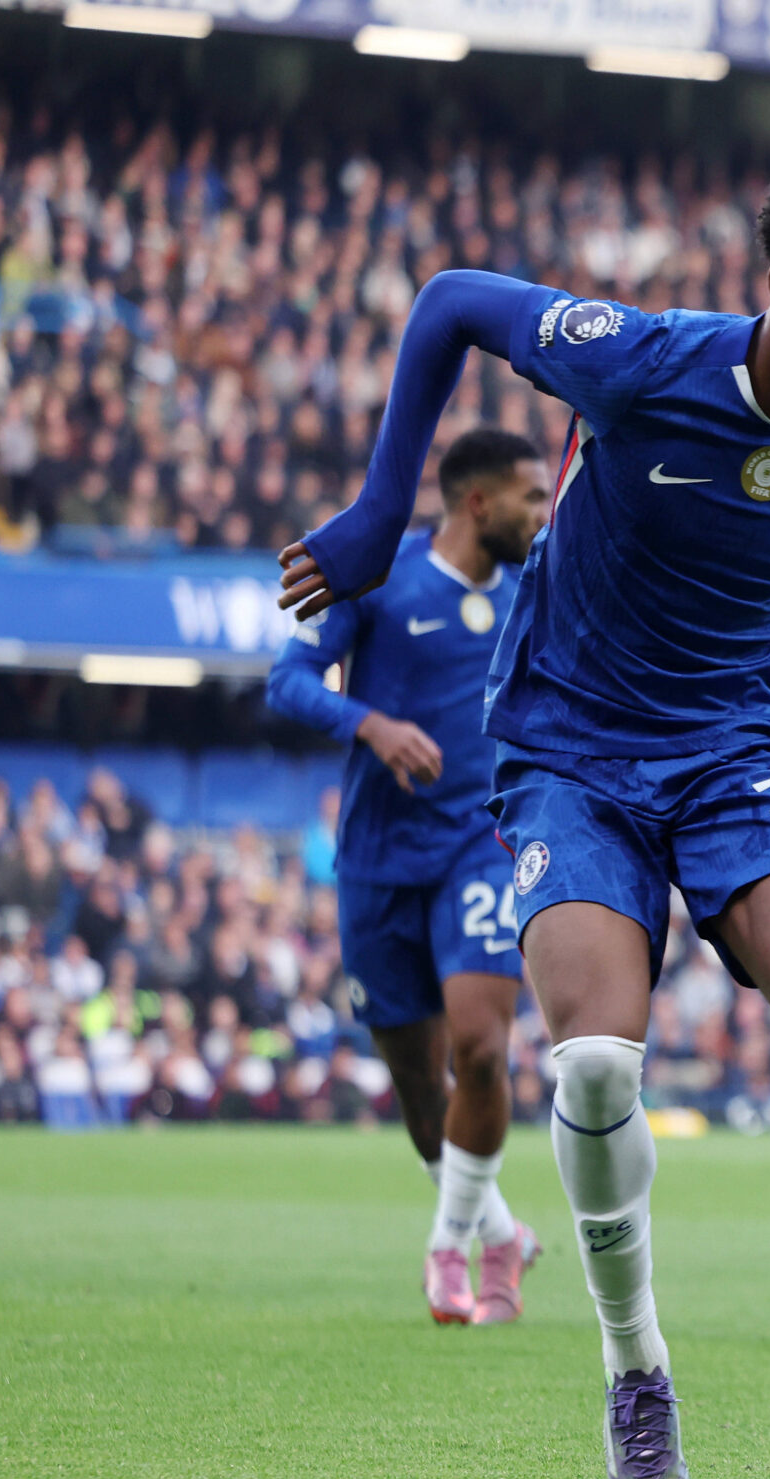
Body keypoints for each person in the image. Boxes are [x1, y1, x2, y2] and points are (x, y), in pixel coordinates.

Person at [276, 156, 770, 1479]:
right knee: (590, 1059)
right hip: (569, 748)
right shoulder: (641, 364)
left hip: (735, 745)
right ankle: (636, 1370)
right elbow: (455, 299)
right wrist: (374, 510)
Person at [265, 426, 548, 1326]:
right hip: (380, 861)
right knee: (421, 1089)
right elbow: (288, 680)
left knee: (478, 1048)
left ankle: (445, 1253)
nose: (542, 518)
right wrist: (371, 725)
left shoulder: (531, 597)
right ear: (478, 503)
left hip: (480, 847)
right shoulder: (380, 578)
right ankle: (497, 1232)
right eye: (530, 500)